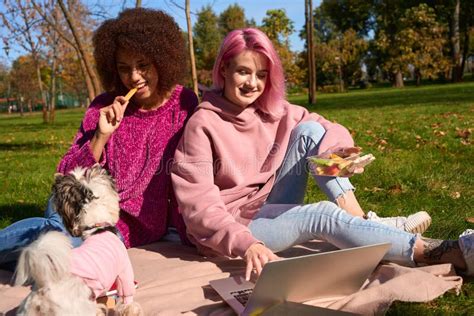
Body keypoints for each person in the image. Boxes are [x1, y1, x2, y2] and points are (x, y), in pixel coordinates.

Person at [171, 28, 473, 280]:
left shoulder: (270, 109)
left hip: (268, 204)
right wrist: (245, 243)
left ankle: (365, 222)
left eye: (262, 75)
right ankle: (445, 251)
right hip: (234, 228)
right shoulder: (203, 124)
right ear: (223, 69)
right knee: (322, 216)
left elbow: (324, 126)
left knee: (310, 133)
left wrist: (338, 156)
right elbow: (199, 207)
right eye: (243, 72)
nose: (253, 83)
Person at [0, 8, 198, 269]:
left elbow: (190, 169)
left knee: (63, 252)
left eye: (143, 65)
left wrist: (192, 234)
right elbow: (65, 174)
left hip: (121, 226)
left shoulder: (183, 104)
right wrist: (101, 135)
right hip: (75, 203)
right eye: (124, 68)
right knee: (54, 233)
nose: (134, 77)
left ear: (162, 60)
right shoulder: (102, 106)